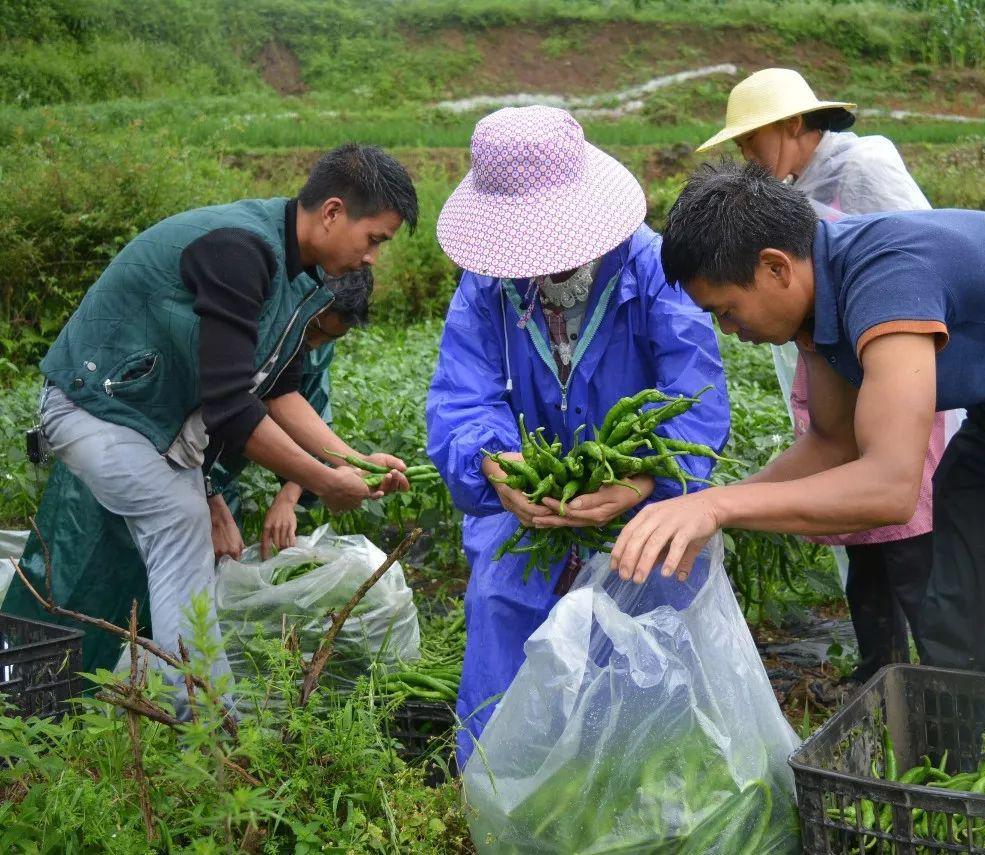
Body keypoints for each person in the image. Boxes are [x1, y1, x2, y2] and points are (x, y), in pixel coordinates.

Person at [608, 162, 985, 690]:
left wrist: (716, 507)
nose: (729, 330)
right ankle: (959, 785)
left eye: (727, 310)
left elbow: (889, 488)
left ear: (776, 267)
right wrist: (710, 508)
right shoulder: (817, 301)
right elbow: (834, 442)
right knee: (954, 624)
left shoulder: (885, 283)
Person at [4, 144, 418, 708]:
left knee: (178, 535)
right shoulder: (240, 251)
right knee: (178, 523)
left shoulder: (302, 279)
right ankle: (205, 718)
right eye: (375, 239)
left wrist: (350, 460)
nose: (372, 258)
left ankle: (198, 711)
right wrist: (322, 483)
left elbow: (279, 392)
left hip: (152, 427)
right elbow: (230, 406)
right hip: (94, 407)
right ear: (332, 212)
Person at [427, 106, 730, 768]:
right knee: (503, 596)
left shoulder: (653, 270)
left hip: (645, 500)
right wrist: (498, 466)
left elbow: (694, 392)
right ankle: (507, 787)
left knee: (650, 620)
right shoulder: (487, 287)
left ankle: (649, 777)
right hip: (531, 505)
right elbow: (461, 393)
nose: (542, 261)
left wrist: (642, 478)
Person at [699, 67, 939, 681]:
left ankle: (936, 677)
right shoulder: (792, 186)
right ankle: (879, 666)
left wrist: (727, 506)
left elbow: (920, 259)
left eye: (752, 142)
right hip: (838, 366)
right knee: (862, 533)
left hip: (895, 367)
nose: (748, 158)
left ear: (795, 125)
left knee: (905, 525)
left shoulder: (863, 167)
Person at [208, 267, 375, 560]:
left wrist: (290, 494)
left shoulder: (314, 347)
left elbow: (306, 416)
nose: (315, 345)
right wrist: (210, 501)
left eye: (331, 338)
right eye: (313, 331)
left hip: (223, 466)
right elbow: (209, 413)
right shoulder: (253, 326)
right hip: (178, 463)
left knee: (213, 564)